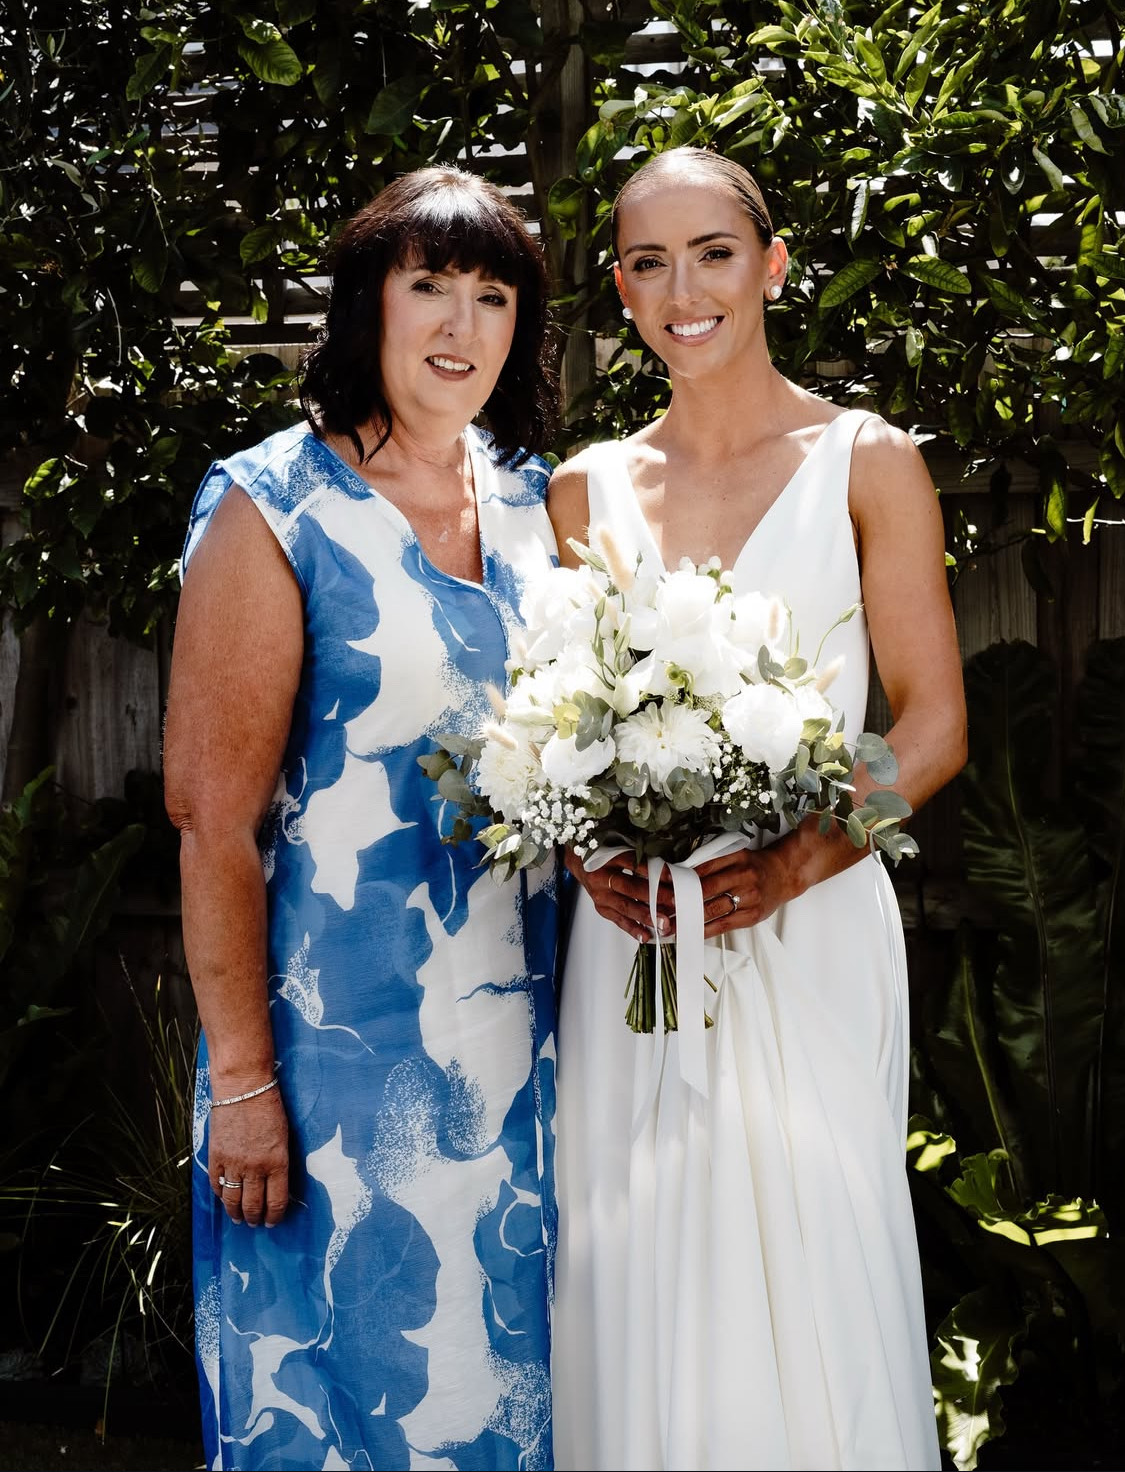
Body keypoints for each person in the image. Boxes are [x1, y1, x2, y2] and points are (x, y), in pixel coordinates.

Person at [547, 147, 967, 1471]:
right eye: (649, 264)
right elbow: (558, 722)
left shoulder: (866, 461)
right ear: (622, 291)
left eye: (714, 254)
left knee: (816, 1263)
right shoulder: (583, 489)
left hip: (810, 921)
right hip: (636, 941)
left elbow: (934, 725)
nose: (685, 291)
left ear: (773, 265)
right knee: (640, 1264)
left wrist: (792, 865)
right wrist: (585, 853)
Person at [163, 166, 562, 1472]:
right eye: (428, 285)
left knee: (514, 1406)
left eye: (492, 295)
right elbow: (210, 819)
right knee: (348, 1413)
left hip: (528, 1070)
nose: (461, 325)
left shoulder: (533, 507)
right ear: (366, 307)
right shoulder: (272, 507)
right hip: (337, 1075)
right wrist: (244, 1083)